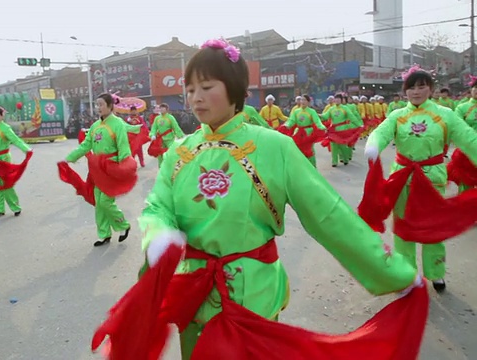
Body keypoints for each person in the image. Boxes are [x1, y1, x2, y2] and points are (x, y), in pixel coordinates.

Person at [97, 38, 421, 359]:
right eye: (191, 89)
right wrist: (158, 234)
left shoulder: (273, 147)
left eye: (207, 87)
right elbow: (158, 207)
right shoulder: (180, 151)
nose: (196, 98)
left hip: (251, 297)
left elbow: (329, 216)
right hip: (192, 293)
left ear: (235, 90)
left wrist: (393, 272)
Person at [364, 66, 477, 292]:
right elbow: (382, 132)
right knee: (404, 228)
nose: (416, 92)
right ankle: (406, 275)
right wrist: (374, 145)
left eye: (422, 86)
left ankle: (435, 273)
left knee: (432, 228)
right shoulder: (397, 115)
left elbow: (467, 138)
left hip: (431, 179)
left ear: (431, 89)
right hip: (403, 178)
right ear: (405, 91)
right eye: (412, 88)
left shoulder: (446, 114)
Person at [64, 93, 132, 247]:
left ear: (110, 106)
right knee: (99, 203)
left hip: (111, 168)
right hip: (97, 170)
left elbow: (123, 146)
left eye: (101, 104)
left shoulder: (118, 124)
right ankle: (104, 234)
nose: (98, 108)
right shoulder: (95, 126)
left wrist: (124, 166)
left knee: (106, 202)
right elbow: (85, 146)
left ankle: (123, 224)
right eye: (97, 104)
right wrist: (70, 157)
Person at [281, 94, 327, 167]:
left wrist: (321, 127)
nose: (302, 101)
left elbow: (317, 121)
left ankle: (312, 167)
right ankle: (301, 167)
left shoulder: (312, 111)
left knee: (309, 150)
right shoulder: (296, 111)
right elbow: (291, 121)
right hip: (299, 133)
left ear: (308, 102)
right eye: (301, 100)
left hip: (308, 133)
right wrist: (286, 125)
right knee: (298, 150)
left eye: (304, 100)